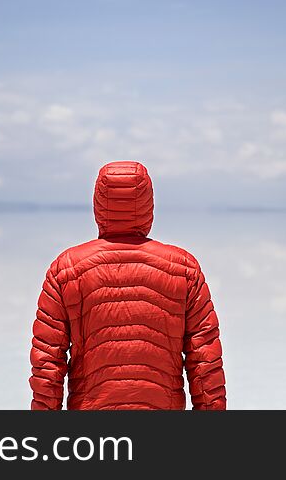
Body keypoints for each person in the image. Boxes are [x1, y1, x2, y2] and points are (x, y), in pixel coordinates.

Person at [29, 160, 226, 410]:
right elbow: (205, 360)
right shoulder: (184, 267)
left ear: (98, 205)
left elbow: (47, 363)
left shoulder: (66, 268)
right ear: (148, 205)